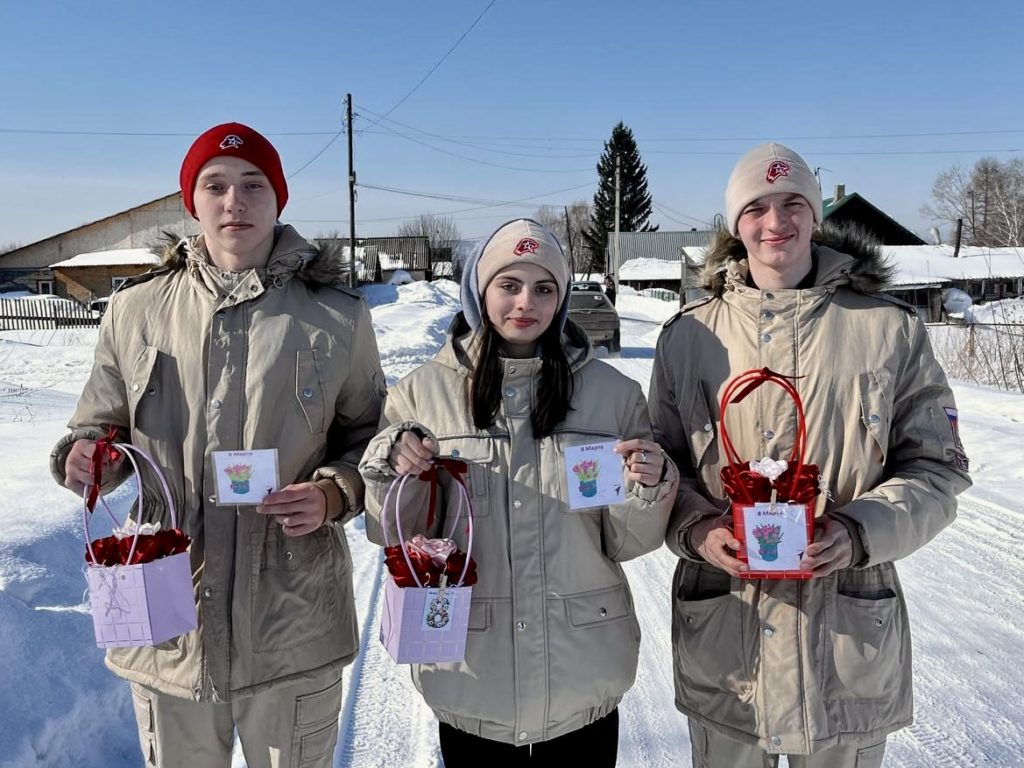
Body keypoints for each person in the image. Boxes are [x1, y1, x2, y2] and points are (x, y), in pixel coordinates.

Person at [50, 122, 385, 768]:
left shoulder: (338, 316)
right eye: (216, 186)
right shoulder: (135, 312)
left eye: (253, 185)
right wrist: (87, 456)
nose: (235, 201)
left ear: (278, 199)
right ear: (192, 203)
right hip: (169, 621)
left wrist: (332, 493)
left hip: (293, 626)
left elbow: (371, 443)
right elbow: (100, 427)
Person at [649, 143, 971, 768]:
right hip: (728, 636)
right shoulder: (687, 336)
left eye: (794, 202)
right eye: (757, 207)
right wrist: (696, 528)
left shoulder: (888, 327)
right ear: (735, 223)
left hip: (844, 643)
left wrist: (857, 532)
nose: (777, 222)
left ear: (816, 214)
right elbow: (661, 466)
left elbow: (938, 468)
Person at [358, 218, 678, 766]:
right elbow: (393, 534)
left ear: (561, 298)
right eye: (509, 284)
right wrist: (392, 467)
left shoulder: (612, 396)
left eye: (544, 287)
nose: (525, 302)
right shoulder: (421, 393)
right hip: (469, 674)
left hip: (583, 673)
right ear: (479, 292)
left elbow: (625, 543)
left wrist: (649, 487)